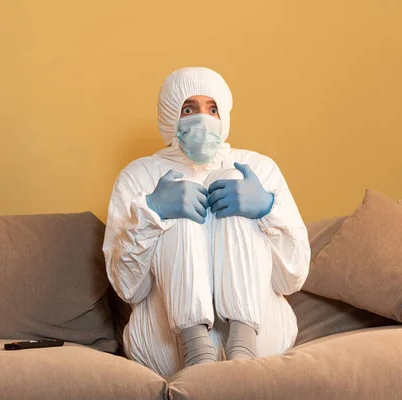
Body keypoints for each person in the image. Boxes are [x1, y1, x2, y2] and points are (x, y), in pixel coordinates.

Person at [102, 67, 310, 376]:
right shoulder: (138, 175)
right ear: (171, 114)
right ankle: (196, 349)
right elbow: (129, 288)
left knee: (231, 180)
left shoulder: (257, 168)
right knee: (181, 208)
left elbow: (291, 277)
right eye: (189, 109)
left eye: (212, 108)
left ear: (225, 114)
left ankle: (242, 345)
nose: (203, 118)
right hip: (166, 350)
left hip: (263, 345)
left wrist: (267, 208)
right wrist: (153, 211)